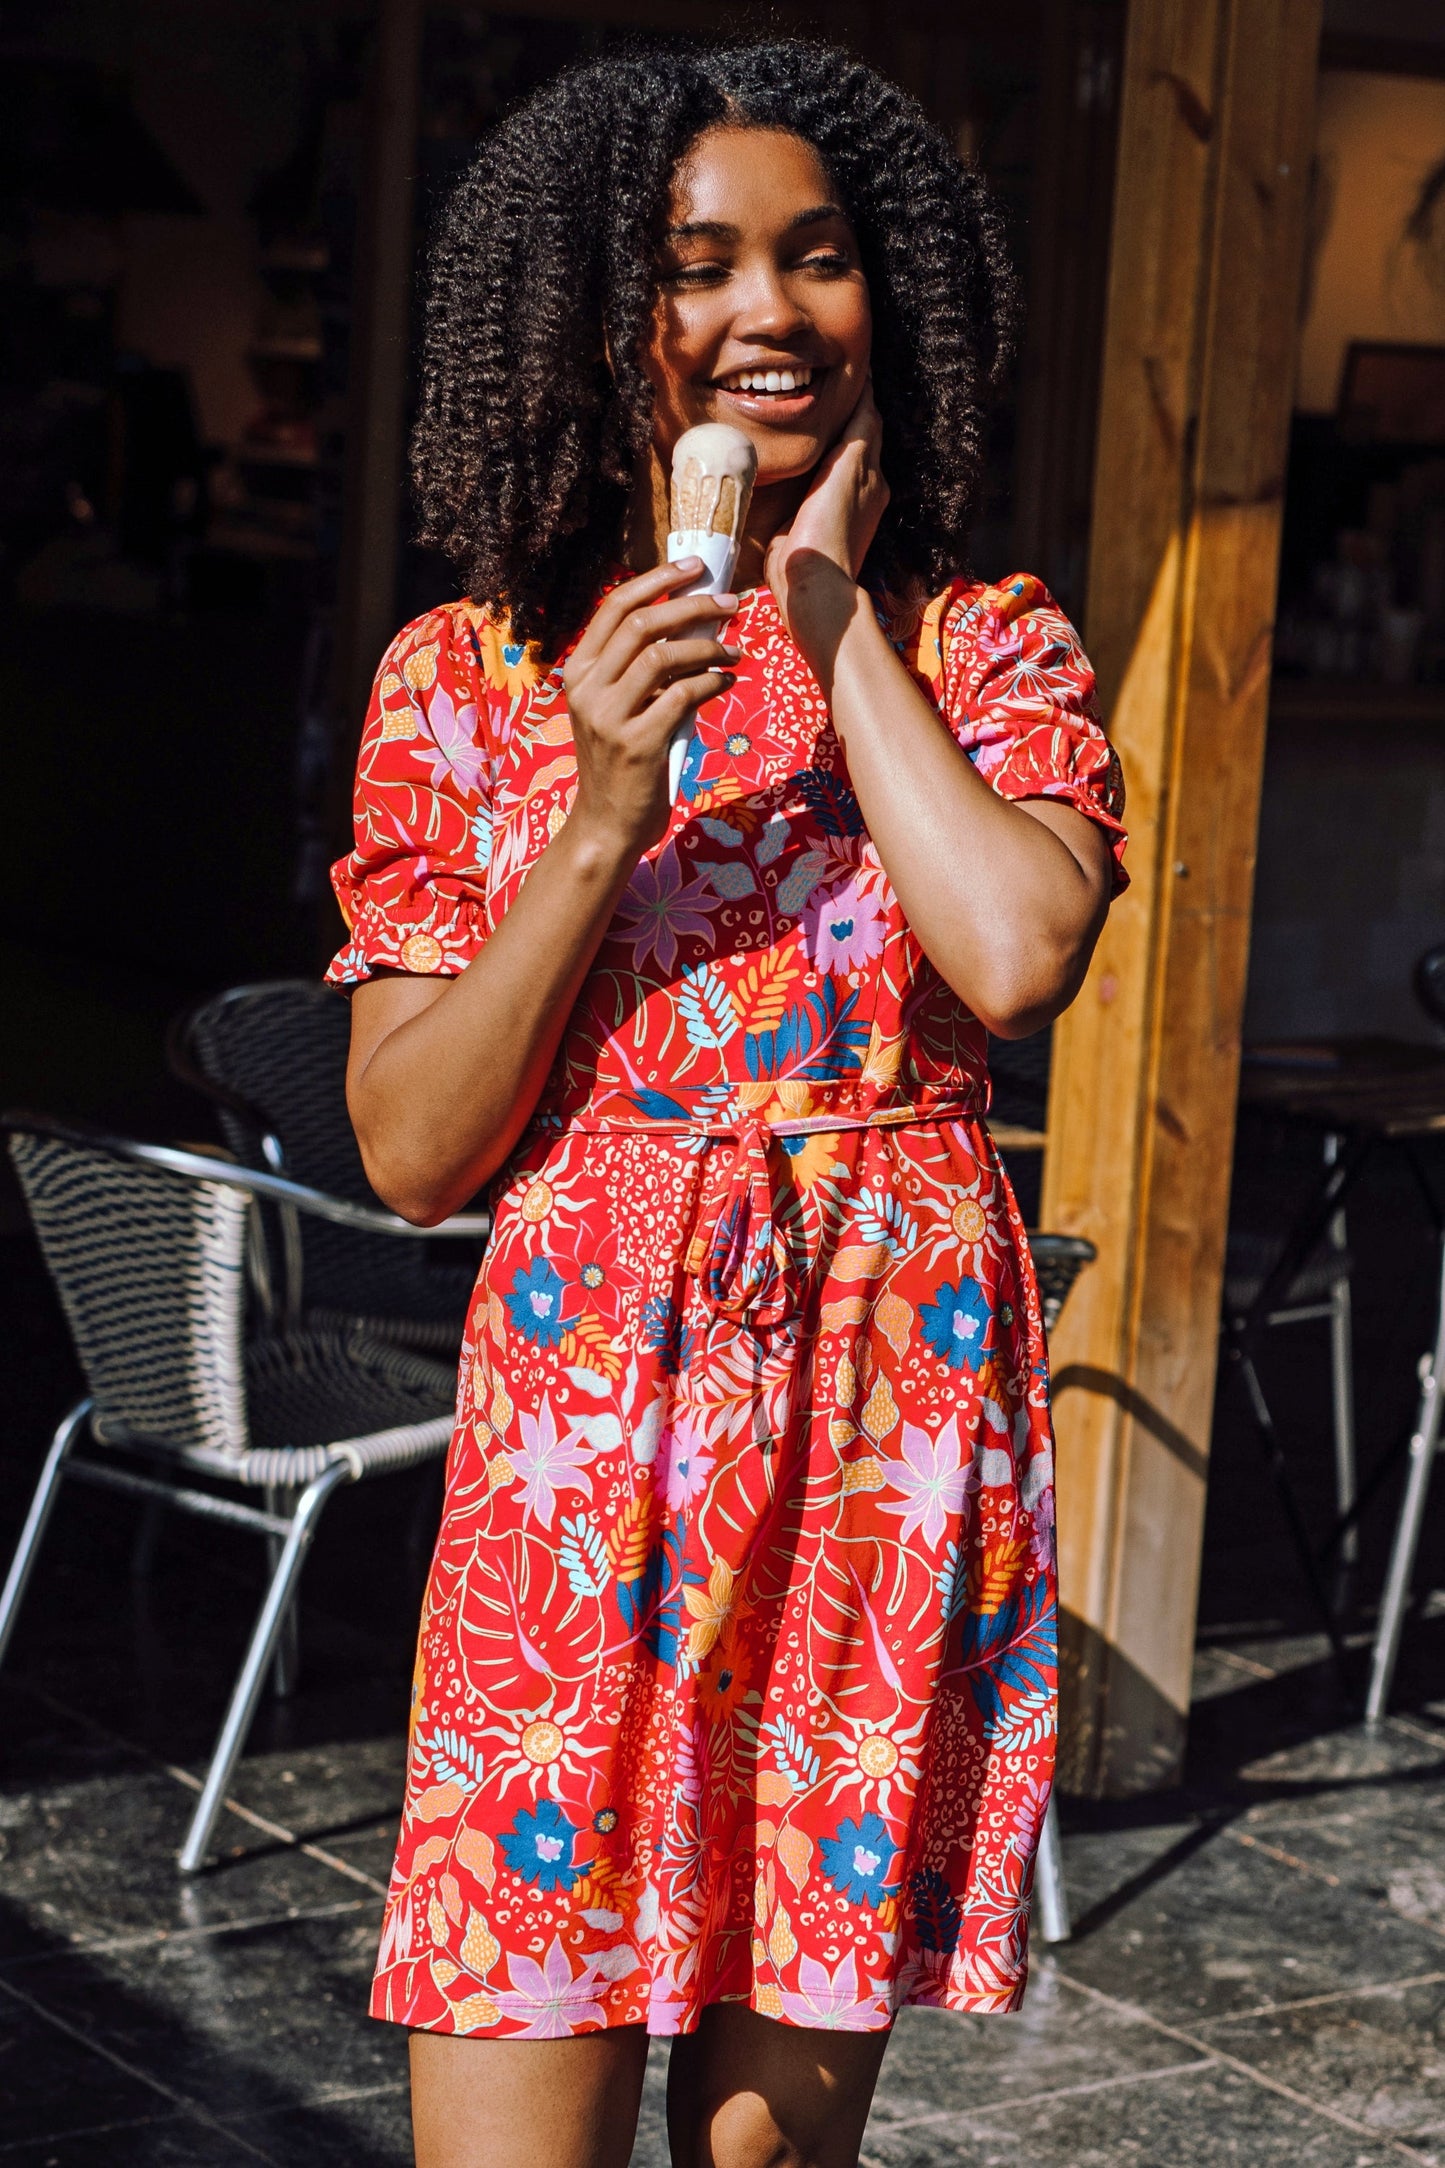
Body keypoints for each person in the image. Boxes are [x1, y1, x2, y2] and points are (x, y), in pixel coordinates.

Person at [327, 38, 1127, 2168]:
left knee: (768, 2154)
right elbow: (411, 1147)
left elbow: (1015, 953)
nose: (769, 309)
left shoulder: (984, 645)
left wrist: (830, 617)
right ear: (589, 309)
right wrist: (601, 808)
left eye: (818, 256)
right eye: (696, 265)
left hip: (876, 1436)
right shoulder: (469, 676)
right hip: (583, 1455)